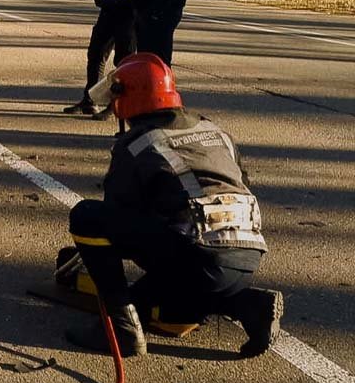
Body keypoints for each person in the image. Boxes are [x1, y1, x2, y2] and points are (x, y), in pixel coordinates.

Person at [64, 52, 282, 358]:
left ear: (126, 97)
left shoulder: (139, 143)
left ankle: (119, 329)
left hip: (197, 255)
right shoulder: (214, 130)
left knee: (87, 217)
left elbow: (117, 215)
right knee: (170, 301)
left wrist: (98, 261)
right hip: (247, 254)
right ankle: (249, 306)